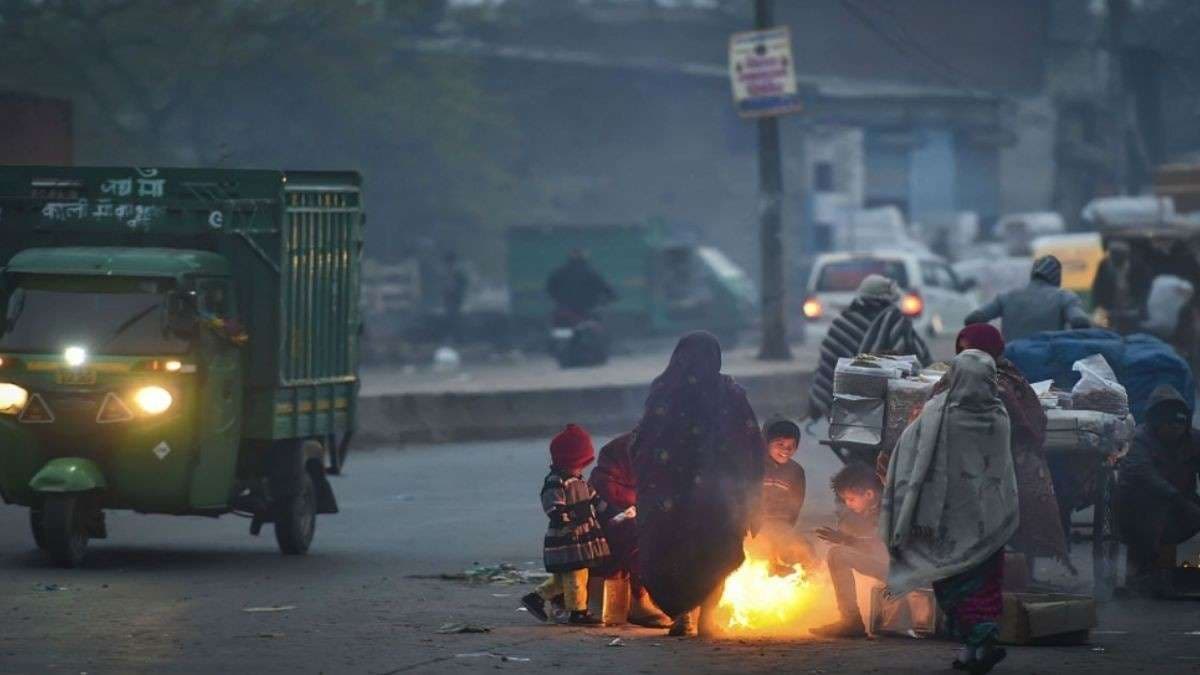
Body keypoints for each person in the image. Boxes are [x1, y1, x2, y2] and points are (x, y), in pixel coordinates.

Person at [880, 349, 1018, 674]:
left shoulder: (937, 413)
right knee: (984, 584)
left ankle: (977, 645)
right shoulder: (999, 415)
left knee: (952, 583)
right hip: (988, 520)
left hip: (945, 521)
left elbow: (908, 455)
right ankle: (971, 653)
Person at [631, 331, 764, 638]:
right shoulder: (729, 392)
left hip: (672, 498)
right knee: (713, 555)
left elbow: (644, 442)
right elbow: (750, 444)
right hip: (715, 497)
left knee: (678, 555)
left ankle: (683, 618)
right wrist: (750, 494)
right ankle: (705, 620)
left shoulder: (664, 389)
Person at [936, 324, 1071, 572]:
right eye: (963, 351)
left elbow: (1030, 424)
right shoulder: (951, 378)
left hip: (1004, 462)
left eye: (974, 350)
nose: (969, 357)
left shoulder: (1006, 382)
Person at [809, 275, 933, 421]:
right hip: (887, 401)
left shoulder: (843, 321)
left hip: (844, 400)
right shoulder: (894, 320)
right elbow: (917, 356)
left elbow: (827, 364)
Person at [522, 424, 611, 626]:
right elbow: (553, 508)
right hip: (568, 538)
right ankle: (577, 612)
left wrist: (614, 512)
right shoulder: (556, 481)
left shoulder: (579, 480)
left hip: (579, 538)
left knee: (566, 578)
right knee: (576, 576)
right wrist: (570, 519)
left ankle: (535, 598)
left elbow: (595, 499)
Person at [1117, 385, 1200, 593]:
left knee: (1186, 572)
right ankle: (1149, 567)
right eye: (1169, 425)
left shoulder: (1193, 441)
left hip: (1181, 506)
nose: (1175, 429)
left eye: (1179, 425)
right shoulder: (1138, 441)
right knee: (1156, 506)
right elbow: (1147, 477)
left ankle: (1179, 566)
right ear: (1156, 423)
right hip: (1138, 513)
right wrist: (1180, 502)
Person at [588, 431, 673, 628]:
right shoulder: (612, 481)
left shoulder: (648, 446)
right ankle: (636, 602)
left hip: (620, 513)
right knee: (637, 540)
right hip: (611, 526)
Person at [810, 463, 888, 639]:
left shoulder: (891, 509)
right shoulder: (854, 516)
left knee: (838, 555)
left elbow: (883, 546)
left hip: (905, 569)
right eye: (845, 500)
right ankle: (849, 619)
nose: (848, 504)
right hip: (888, 567)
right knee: (837, 554)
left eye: (851, 499)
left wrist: (847, 540)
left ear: (869, 494)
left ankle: (851, 621)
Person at [965, 254, 1091, 343]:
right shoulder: (1064, 297)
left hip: (1012, 363)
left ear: (1033, 274)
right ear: (1057, 277)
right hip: (1049, 361)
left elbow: (972, 319)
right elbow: (1080, 322)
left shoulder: (1007, 297)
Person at [750, 419, 816, 571]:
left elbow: (795, 508)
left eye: (791, 446)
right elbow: (741, 499)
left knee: (805, 552)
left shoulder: (796, 472)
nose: (786, 450)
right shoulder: (752, 465)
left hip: (779, 527)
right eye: (780, 444)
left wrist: (784, 532)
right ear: (766, 443)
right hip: (750, 528)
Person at [1092, 241, 1145, 334]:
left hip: (1132, 308)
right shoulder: (1104, 265)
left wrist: (1139, 305)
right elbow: (1098, 287)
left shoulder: (1137, 265)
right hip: (1110, 308)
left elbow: (1142, 287)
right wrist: (1099, 306)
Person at [546, 249, 617, 320]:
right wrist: (607, 299)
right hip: (586, 309)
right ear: (585, 259)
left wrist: (558, 299)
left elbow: (550, 288)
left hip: (564, 308)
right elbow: (606, 289)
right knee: (593, 323)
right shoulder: (592, 273)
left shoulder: (559, 272)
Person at [441, 251, 468, 344]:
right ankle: (453, 337)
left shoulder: (458, 273)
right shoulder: (446, 273)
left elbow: (463, 285)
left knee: (454, 318)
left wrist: (456, 289)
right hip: (448, 299)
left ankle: (457, 338)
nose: (448, 265)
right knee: (450, 317)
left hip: (455, 299)